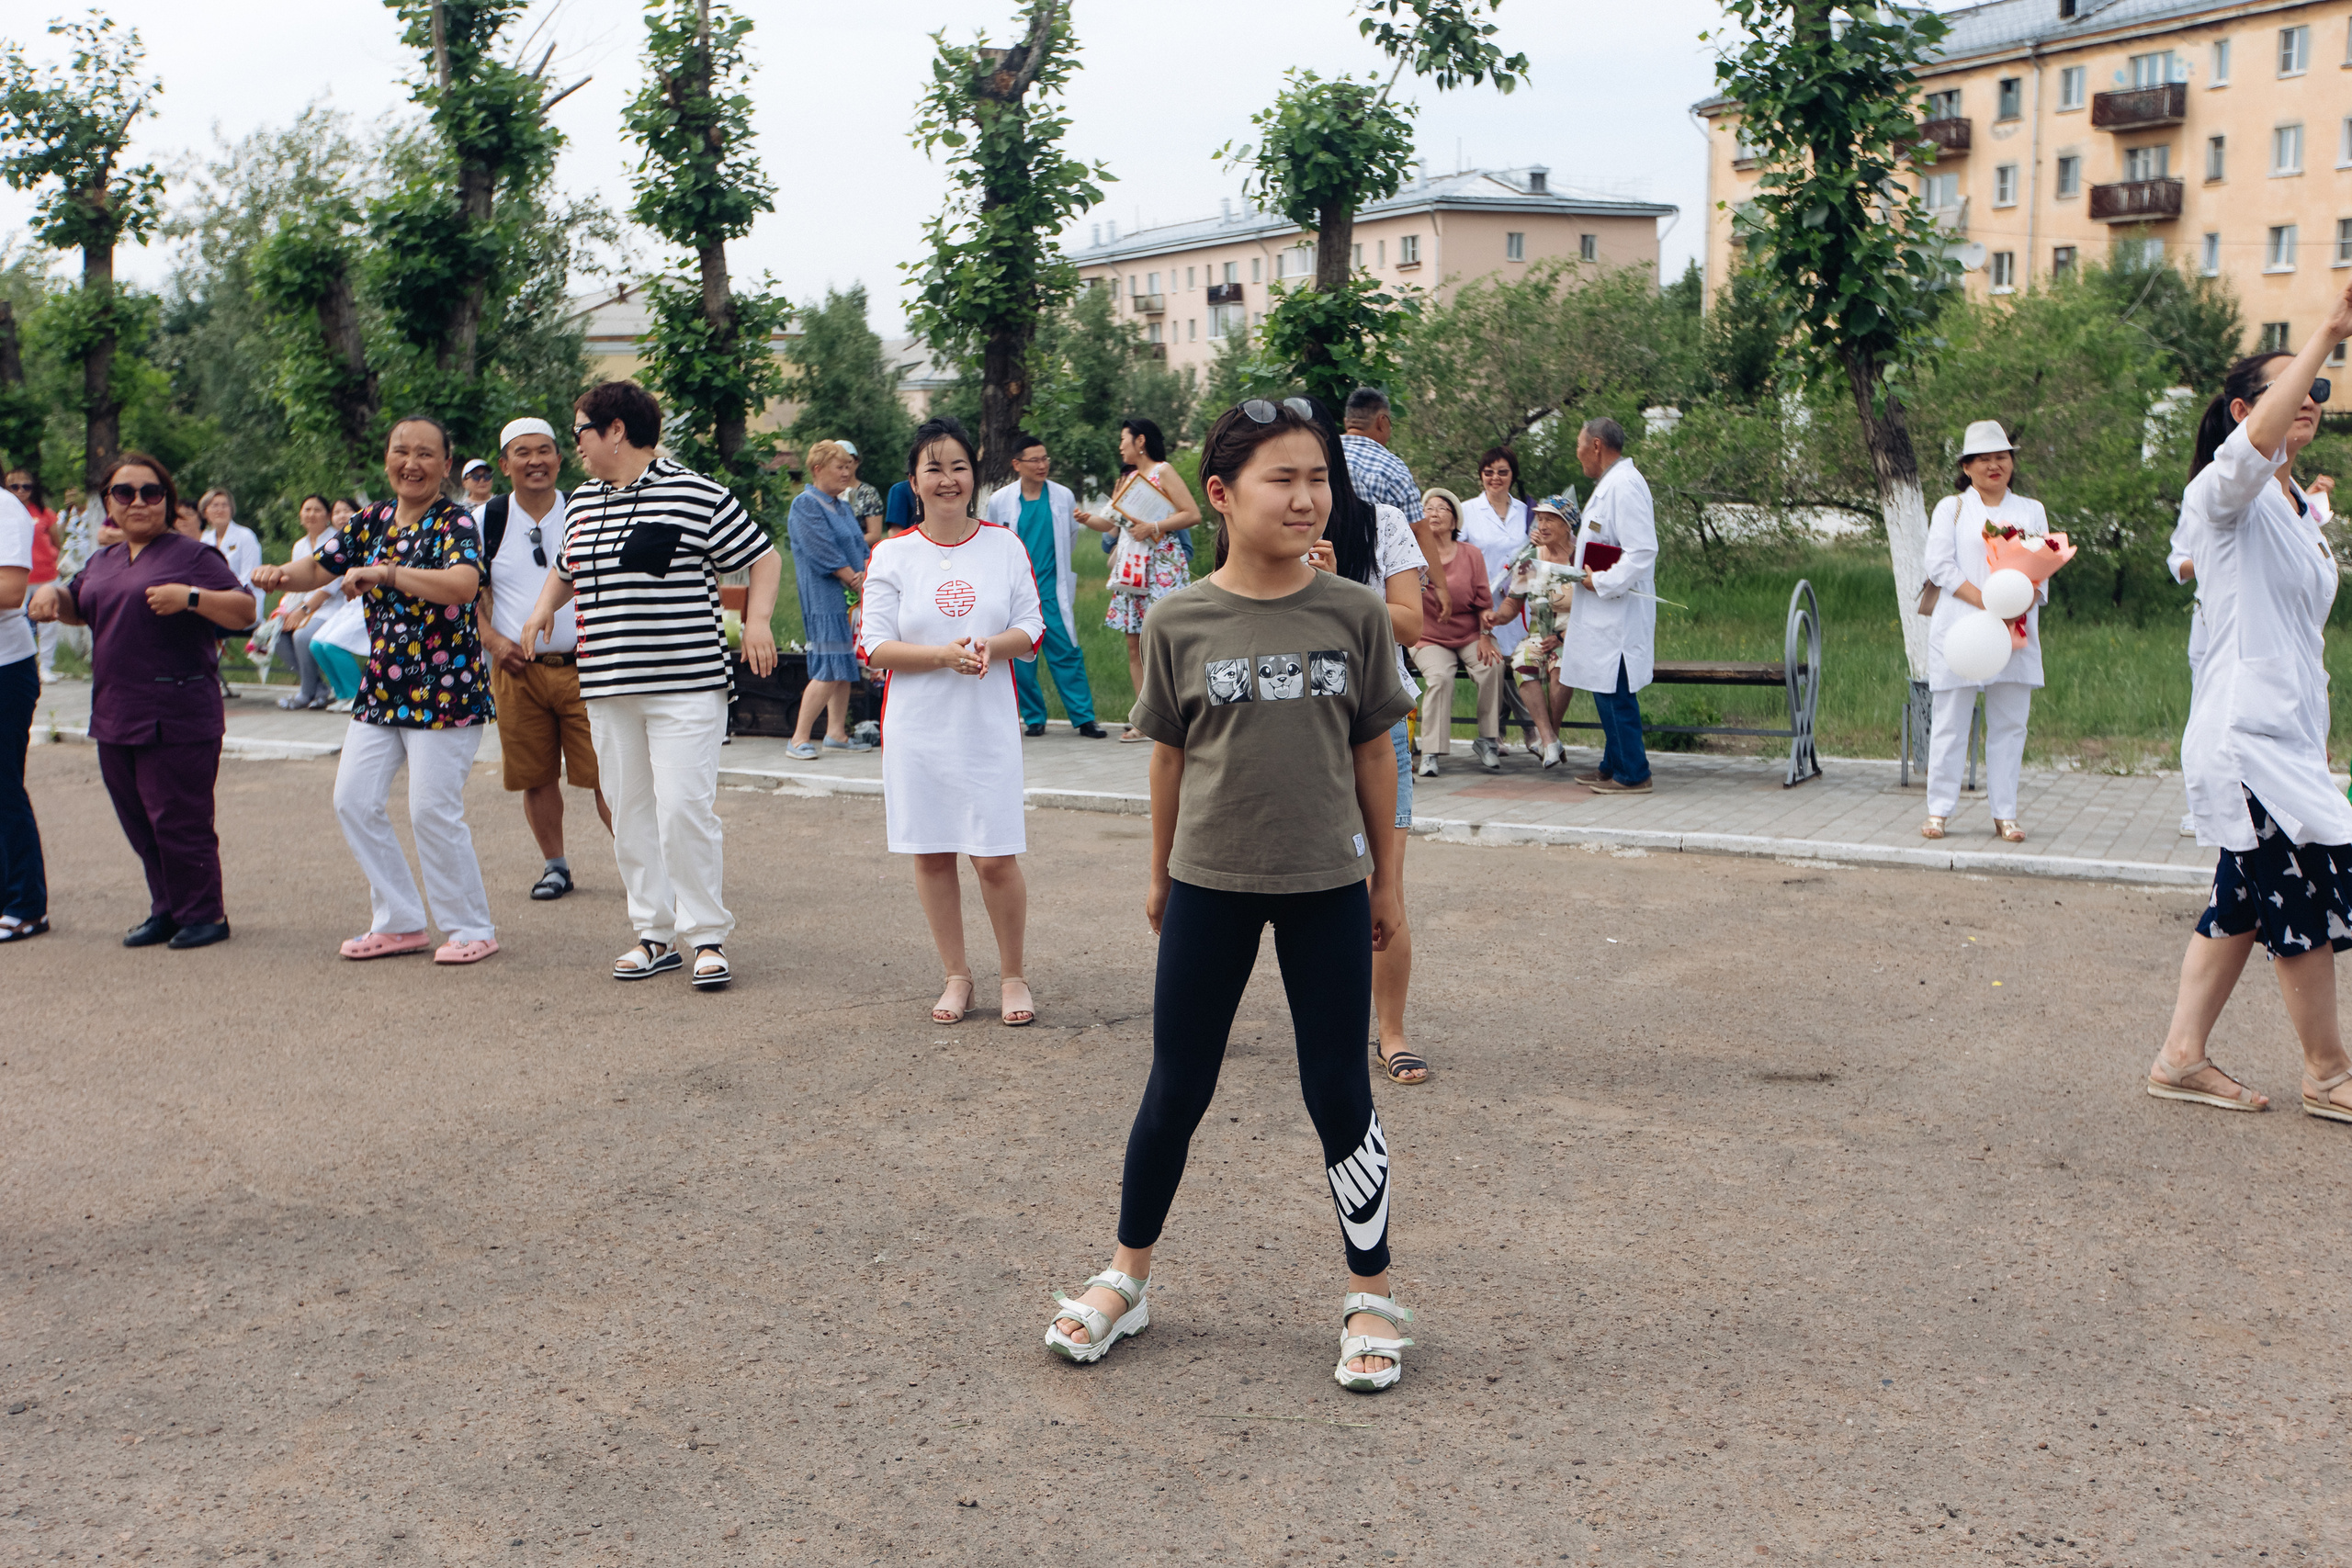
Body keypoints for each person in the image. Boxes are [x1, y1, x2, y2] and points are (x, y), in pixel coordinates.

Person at [1045, 398, 1418, 1392]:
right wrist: (1161, 871)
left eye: (1316, 479)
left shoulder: (1353, 613)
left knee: (1338, 1087)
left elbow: (1375, 752)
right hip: (1209, 881)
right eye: (1280, 480)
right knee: (1177, 1084)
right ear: (1220, 495)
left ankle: (1370, 1293)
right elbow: (1166, 760)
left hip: (1326, 884)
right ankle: (1127, 1279)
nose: (1305, 499)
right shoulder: (1179, 620)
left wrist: (1385, 881)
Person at [2148, 284, 2352, 1122]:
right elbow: (2249, 455)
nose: (2309, 398)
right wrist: (2329, 333)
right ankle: (2330, 1074)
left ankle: (2179, 1057)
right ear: (2245, 409)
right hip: (2249, 741)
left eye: (2320, 389)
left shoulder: (2297, 507)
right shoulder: (2221, 494)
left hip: (2291, 737)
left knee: (2239, 900)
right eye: (2291, 388)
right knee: (2299, 899)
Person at [519, 378, 781, 990]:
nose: (573, 444)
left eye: (581, 429)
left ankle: (707, 936)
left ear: (615, 430)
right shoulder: (582, 501)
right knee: (631, 810)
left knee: (683, 808)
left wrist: (759, 622)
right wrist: (541, 609)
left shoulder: (694, 493)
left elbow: (763, 557)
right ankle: (654, 934)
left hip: (686, 683)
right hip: (610, 685)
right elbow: (566, 569)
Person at [252, 416, 501, 965]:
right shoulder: (370, 520)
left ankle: (471, 927)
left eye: (425, 454)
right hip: (384, 686)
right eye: (400, 452)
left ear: (446, 464)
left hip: (446, 688)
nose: (411, 464)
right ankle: (400, 921)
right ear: (387, 459)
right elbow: (316, 567)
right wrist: (277, 575)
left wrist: (388, 573)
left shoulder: (455, 521)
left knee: (432, 811)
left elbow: (462, 586)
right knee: (353, 800)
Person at [859, 418, 1046, 1027]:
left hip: (985, 725)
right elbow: (874, 646)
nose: (947, 479)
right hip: (918, 728)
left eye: (958, 467)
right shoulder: (892, 554)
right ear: (914, 480)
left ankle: (1013, 973)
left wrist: (994, 645)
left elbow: (1032, 626)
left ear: (975, 474)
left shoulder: (1004, 545)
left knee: (994, 855)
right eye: (933, 468)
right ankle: (957, 974)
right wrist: (941, 655)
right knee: (933, 852)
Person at [29, 453, 254, 947]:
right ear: (109, 503)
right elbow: (79, 602)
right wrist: (51, 593)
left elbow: (244, 610)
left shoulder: (193, 557)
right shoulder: (105, 559)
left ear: (167, 500)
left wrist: (191, 597)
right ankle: (168, 909)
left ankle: (205, 915)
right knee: (139, 821)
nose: (138, 502)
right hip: (116, 710)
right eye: (124, 493)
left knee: (180, 819)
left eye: (150, 493)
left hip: (178, 710)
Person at [1323, 399, 1434, 1086]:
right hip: (1297, 722)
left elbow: (1410, 622)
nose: (1305, 488)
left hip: (1376, 716)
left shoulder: (1383, 523)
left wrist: (1335, 588)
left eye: (1316, 471)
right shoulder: (1261, 526)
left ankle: (1390, 1031)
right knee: (1286, 891)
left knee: (1383, 886)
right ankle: (1320, 1027)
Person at [476, 416, 612, 900]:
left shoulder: (587, 508)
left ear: (560, 457)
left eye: (545, 451)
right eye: (522, 453)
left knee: (608, 776)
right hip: (517, 671)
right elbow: (464, 597)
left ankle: (642, 867)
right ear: (504, 463)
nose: (535, 461)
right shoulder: (486, 520)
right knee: (535, 776)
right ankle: (555, 867)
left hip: (587, 666)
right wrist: (493, 642)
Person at [1920, 421, 2050, 842]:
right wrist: (1984, 599)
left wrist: (2021, 600)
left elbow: (2043, 564)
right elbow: (1939, 565)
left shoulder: (2030, 509)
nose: (1995, 465)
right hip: (1963, 627)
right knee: (1950, 721)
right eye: (1984, 459)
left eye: (2002, 457)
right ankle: (1939, 810)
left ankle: (2005, 813)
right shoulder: (1951, 508)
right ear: (1967, 466)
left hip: (2014, 628)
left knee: (2010, 723)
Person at [1075, 418, 1199, 741]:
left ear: (1140, 441)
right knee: (1135, 643)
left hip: (1163, 567)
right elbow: (1111, 524)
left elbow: (1191, 513)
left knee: (1169, 641)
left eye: (1123, 439)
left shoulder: (1164, 472)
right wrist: (1089, 519)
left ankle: (1182, 715)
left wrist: (1154, 527)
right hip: (1133, 569)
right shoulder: (1128, 479)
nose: (1120, 446)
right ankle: (1146, 719)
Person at [984, 432, 1106, 739]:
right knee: (1022, 656)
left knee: (1066, 652)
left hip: (1051, 589)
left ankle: (1084, 718)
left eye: (1045, 459)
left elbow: (1070, 537)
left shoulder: (1062, 496)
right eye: (1035, 460)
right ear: (1017, 464)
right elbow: (993, 543)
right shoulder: (1001, 501)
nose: (1042, 465)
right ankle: (1034, 717)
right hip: (1016, 592)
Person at [1560, 417, 1658, 795]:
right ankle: (1612, 763)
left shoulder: (1626, 485)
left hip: (1617, 609)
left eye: (1580, 447)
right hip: (1602, 608)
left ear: (1597, 446)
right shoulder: (1610, 485)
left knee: (1616, 690)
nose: (1578, 455)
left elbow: (1642, 550)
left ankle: (1634, 773)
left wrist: (1599, 580)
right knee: (1604, 686)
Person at [784, 439, 875, 761]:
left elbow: (859, 548)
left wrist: (868, 574)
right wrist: (851, 576)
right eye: (840, 466)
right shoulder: (805, 504)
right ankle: (798, 738)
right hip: (824, 596)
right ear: (818, 469)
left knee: (844, 664)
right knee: (827, 665)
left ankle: (836, 733)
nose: (847, 472)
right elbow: (820, 547)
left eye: (850, 466)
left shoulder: (844, 506)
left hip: (850, 595)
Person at [1408, 487, 1499, 776]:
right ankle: (1431, 753)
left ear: (1455, 521)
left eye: (1441, 509)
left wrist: (1486, 634)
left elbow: (1485, 603)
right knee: (1439, 678)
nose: (1433, 514)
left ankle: (1487, 740)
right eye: (1428, 509)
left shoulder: (1472, 554)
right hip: (1428, 635)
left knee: (1492, 666)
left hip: (1470, 632)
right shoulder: (1411, 553)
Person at [1487, 496, 1584, 769]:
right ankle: (1549, 739)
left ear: (1568, 525)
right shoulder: (1530, 558)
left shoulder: (1582, 556)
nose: (1542, 524)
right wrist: (1497, 617)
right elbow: (1512, 601)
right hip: (1538, 634)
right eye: (1539, 518)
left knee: (1560, 666)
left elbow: (1596, 607)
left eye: (1550, 519)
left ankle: (1551, 736)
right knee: (1522, 661)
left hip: (1575, 634)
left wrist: (1563, 638)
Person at [0, 476, 50, 942]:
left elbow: (10, 591)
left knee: (3, 788)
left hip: (4, 667)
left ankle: (25, 904)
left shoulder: (5, 507)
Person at [270, 494, 341, 709]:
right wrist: (283, 610)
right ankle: (318, 689)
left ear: (328, 516)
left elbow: (330, 586)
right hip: (304, 605)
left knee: (302, 635)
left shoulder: (335, 540)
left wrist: (303, 610)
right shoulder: (300, 545)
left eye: (317, 510)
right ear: (300, 516)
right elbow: (295, 582)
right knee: (275, 633)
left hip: (333, 605)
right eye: (307, 510)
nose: (311, 514)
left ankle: (304, 694)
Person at [1461, 446, 1531, 653]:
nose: (1495, 478)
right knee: (1490, 661)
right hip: (1482, 600)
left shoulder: (1527, 512)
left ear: (1513, 475)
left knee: (1521, 666)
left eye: (1503, 472)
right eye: (1488, 472)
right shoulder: (1466, 511)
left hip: (1518, 601)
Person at [7, 469, 63, 683]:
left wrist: (48, 558)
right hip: (17, 580)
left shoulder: (44, 512)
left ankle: (46, 666)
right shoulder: (6, 511)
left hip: (45, 576)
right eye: (15, 487)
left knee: (48, 621)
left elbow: (56, 542)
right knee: (18, 622)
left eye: (26, 486)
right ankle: (22, 665)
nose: (21, 491)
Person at [838, 442, 888, 547]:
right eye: (839, 463)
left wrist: (844, 545)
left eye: (848, 462)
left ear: (856, 462)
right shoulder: (827, 493)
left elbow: (874, 535)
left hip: (860, 556)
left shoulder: (868, 493)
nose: (844, 467)